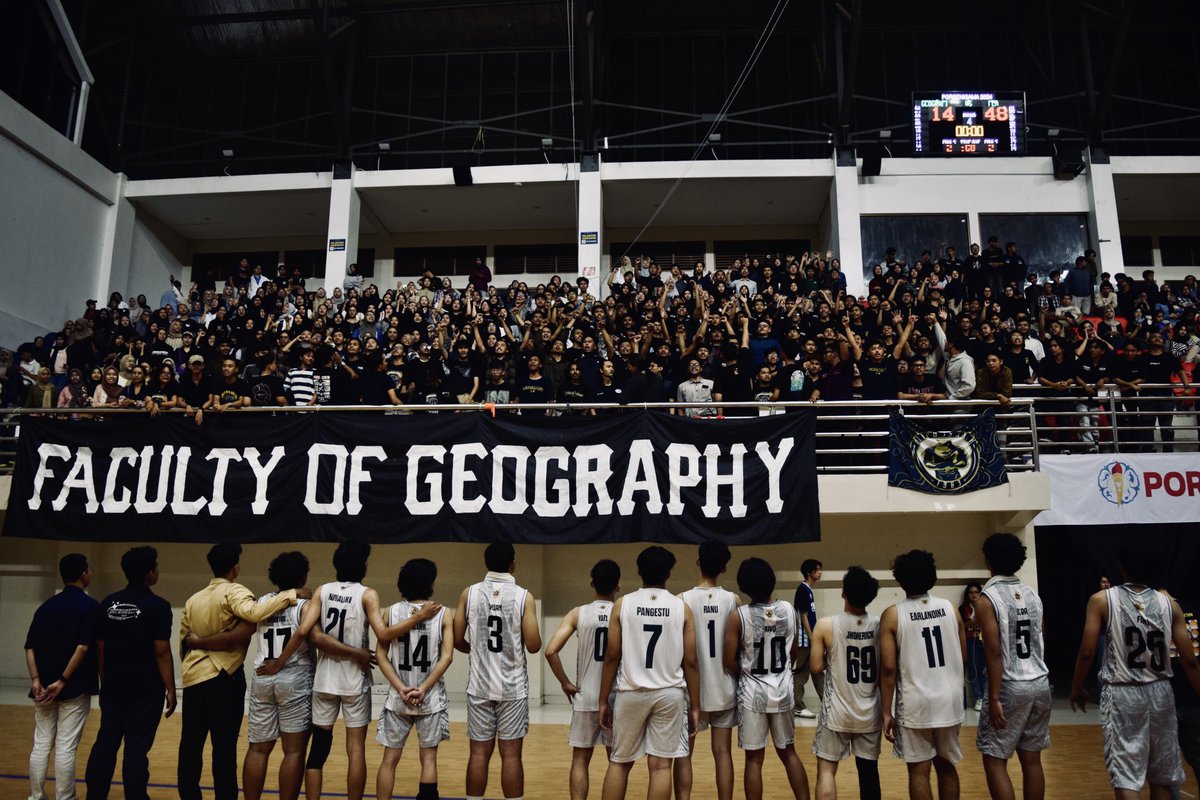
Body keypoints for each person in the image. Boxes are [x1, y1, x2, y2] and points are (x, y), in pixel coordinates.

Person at [176, 543, 304, 800]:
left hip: (194, 678)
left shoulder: (193, 599)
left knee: (191, 746)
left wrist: (200, 646)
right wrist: (292, 594)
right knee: (224, 749)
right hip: (226, 677)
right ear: (235, 568)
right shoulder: (236, 592)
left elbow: (184, 642)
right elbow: (253, 613)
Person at [1070, 547, 1200, 799]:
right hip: (1161, 690)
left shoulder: (1101, 599)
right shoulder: (1170, 605)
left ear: (1121, 568)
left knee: (1126, 774)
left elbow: (1087, 652)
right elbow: (1189, 660)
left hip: (1123, 691)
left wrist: (1077, 686)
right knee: (1162, 775)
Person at [598, 546, 700, 800]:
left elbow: (611, 656)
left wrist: (602, 700)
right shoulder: (681, 607)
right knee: (661, 766)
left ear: (639, 571)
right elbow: (691, 662)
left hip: (630, 692)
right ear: (669, 573)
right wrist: (696, 706)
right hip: (669, 694)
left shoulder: (623, 604)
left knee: (619, 762)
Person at [294, 541, 391, 800]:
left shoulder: (322, 591)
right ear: (364, 565)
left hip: (324, 679)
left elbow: (307, 632)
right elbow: (382, 633)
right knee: (355, 750)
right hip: (354, 680)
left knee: (318, 749)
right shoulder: (367, 594)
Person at [453, 541, 543, 800]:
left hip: (479, 686)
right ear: (513, 564)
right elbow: (534, 645)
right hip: (512, 688)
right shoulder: (523, 596)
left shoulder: (469, 593)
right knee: (511, 755)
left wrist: (477, 650)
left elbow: (457, 638)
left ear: (486, 563)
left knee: (478, 753)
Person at [84, 547, 176, 800]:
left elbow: (100, 649)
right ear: (150, 573)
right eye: (156, 565)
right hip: (145, 690)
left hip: (114, 687)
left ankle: (95, 795)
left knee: (106, 743)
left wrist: (105, 682)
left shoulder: (107, 604)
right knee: (135, 748)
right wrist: (170, 688)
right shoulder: (158, 606)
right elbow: (161, 652)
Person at [881, 549, 967, 800]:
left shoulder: (893, 614)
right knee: (947, 766)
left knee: (919, 772)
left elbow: (888, 669)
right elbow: (962, 656)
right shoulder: (950, 608)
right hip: (949, 698)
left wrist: (886, 711)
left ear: (900, 579)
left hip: (915, 700)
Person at [724, 557, 811, 800]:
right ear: (771, 582)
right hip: (783, 690)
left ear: (743, 585)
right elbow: (792, 652)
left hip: (753, 695)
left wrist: (749, 672)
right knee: (789, 753)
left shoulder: (739, 615)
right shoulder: (788, 610)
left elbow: (728, 660)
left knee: (754, 759)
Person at [974, 533, 1051, 800]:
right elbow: (1040, 639)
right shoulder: (1032, 594)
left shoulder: (987, 598)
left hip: (1010, 684)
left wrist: (994, 696)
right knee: (1032, 760)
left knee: (994, 759)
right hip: (1040, 681)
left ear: (988, 559)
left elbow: (993, 651)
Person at [376, 559, 455, 800]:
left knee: (389, 759)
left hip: (398, 699)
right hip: (428, 698)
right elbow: (447, 657)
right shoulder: (443, 613)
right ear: (430, 584)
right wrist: (422, 689)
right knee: (429, 758)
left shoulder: (390, 612)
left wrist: (400, 688)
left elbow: (381, 655)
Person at [544, 559, 621, 800]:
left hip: (585, 696)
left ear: (591, 583)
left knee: (580, 760)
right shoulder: (623, 613)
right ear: (618, 586)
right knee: (616, 762)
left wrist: (565, 682)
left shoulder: (578, 613)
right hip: (615, 697)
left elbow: (550, 651)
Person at [24, 554, 98, 800]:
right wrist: (63, 680)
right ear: (83, 574)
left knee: (41, 743)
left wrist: (36, 680)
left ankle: (36, 796)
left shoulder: (46, 607)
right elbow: (84, 647)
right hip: (73, 687)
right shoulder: (90, 607)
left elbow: (30, 646)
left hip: (42, 688)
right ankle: (65, 797)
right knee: (66, 747)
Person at [810, 565, 882, 800]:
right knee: (869, 773)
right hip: (869, 712)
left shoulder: (826, 624)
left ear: (843, 593)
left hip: (836, 712)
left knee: (827, 771)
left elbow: (816, 668)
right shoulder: (880, 625)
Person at [675, 541, 739, 800]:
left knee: (684, 752)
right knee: (722, 752)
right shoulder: (733, 600)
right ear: (724, 568)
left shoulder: (681, 600)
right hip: (724, 687)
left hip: (693, 690)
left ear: (698, 562)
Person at [793, 558, 823, 719]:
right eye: (817, 570)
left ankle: (828, 704)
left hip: (810, 639)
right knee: (802, 673)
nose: (820, 572)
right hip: (805, 641)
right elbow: (803, 616)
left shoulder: (809, 590)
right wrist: (812, 638)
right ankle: (797, 705)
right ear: (809, 573)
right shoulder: (803, 589)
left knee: (817, 670)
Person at [960, 583, 987, 712]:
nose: (974, 594)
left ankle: (986, 697)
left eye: (976, 592)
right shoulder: (963, 608)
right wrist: (972, 621)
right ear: (967, 594)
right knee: (973, 669)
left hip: (984, 640)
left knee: (984, 669)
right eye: (971, 592)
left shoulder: (986, 606)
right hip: (970, 640)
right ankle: (978, 698)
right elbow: (960, 627)